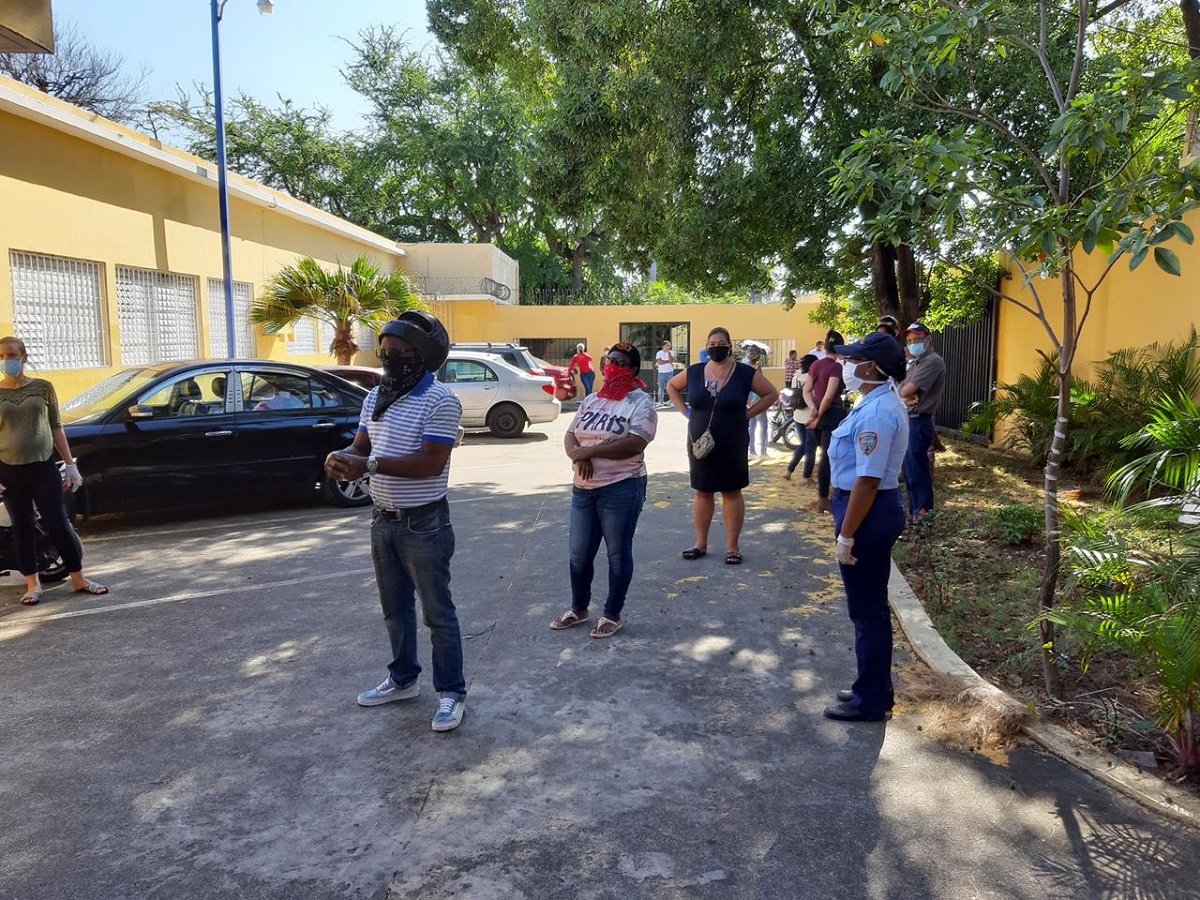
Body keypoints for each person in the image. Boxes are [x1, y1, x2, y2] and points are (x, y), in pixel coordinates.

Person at [324, 311, 468, 733]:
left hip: (424, 523)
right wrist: (344, 459)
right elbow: (361, 444)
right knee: (394, 610)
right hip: (382, 520)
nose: (392, 360)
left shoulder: (441, 401)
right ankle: (403, 679)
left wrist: (367, 464)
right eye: (386, 352)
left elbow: (430, 462)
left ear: (424, 356)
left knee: (437, 612)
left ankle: (451, 693)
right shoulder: (376, 397)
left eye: (403, 353)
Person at [822, 332, 909, 722]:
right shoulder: (874, 402)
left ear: (871, 367)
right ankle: (871, 687)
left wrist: (847, 534)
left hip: (867, 512)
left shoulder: (876, 412)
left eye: (853, 360)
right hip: (866, 509)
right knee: (868, 607)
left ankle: (870, 701)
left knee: (867, 610)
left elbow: (868, 480)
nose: (846, 366)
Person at [551, 342, 657, 638]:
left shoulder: (640, 403)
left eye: (620, 362)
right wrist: (578, 454)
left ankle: (612, 613)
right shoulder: (593, 400)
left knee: (617, 553)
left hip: (621, 487)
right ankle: (579, 608)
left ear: (633, 369)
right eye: (609, 360)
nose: (612, 365)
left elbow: (635, 443)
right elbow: (571, 435)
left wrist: (587, 453)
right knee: (578, 554)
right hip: (583, 489)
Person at [0, 336, 106, 605]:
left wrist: (70, 464)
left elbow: (56, 426)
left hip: (43, 467)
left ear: (24, 357)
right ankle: (32, 584)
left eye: (11, 355)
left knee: (58, 523)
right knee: (22, 526)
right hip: (9, 471)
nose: (6, 361)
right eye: (1, 357)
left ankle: (78, 577)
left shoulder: (43, 388)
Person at [666, 327, 778, 565]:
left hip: (733, 440)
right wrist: (685, 411)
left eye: (721, 342)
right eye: (712, 342)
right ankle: (700, 544)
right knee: (702, 490)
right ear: (707, 346)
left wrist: (748, 415)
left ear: (729, 346)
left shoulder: (745, 373)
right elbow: (671, 387)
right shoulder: (694, 372)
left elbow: (771, 394)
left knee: (731, 491)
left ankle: (732, 547)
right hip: (700, 442)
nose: (716, 346)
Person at [899, 322, 946, 526]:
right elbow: (902, 390)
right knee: (910, 474)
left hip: (919, 422)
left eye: (917, 339)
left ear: (928, 339)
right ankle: (915, 517)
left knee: (918, 474)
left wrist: (904, 396)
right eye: (909, 341)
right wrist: (903, 398)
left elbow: (906, 390)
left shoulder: (932, 362)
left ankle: (923, 519)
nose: (912, 344)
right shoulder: (916, 363)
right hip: (910, 421)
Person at [804, 330, 847, 514]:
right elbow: (829, 397)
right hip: (831, 415)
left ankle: (824, 498)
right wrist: (819, 414)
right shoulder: (836, 367)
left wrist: (813, 409)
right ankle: (824, 498)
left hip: (818, 417)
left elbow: (806, 391)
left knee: (823, 456)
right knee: (829, 459)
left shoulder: (815, 365)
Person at [784, 354, 819, 481]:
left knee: (803, 444)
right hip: (809, 416)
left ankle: (789, 470)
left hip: (797, 415)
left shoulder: (796, 377)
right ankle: (807, 476)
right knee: (810, 448)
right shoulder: (812, 378)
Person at [745, 348, 769, 457]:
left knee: (752, 425)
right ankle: (763, 451)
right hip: (758, 397)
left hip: (749, 398)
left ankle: (751, 450)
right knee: (763, 425)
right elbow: (762, 382)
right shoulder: (757, 367)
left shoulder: (744, 367)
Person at [654, 341, 676, 406]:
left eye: (669, 346)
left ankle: (671, 402)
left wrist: (669, 353)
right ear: (663, 346)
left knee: (670, 387)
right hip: (661, 373)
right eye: (667, 345)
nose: (668, 347)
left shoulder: (671, 352)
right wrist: (667, 361)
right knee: (660, 388)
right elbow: (659, 362)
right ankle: (660, 402)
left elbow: (671, 360)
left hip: (669, 372)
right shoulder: (659, 353)